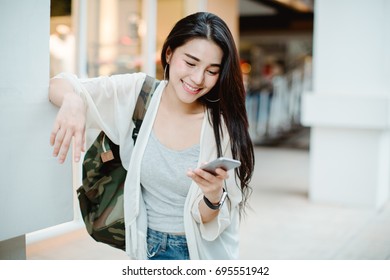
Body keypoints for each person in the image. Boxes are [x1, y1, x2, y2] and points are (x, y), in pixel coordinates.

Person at [49, 12, 255, 260]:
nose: (198, 79)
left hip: (202, 254)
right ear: (169, 53)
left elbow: (211, 220)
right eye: (190, 63)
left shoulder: (222, 125)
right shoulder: (138, 93)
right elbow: (59, 84)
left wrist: (213, 195)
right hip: (146, 248)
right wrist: (73, 101)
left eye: (212, 71)